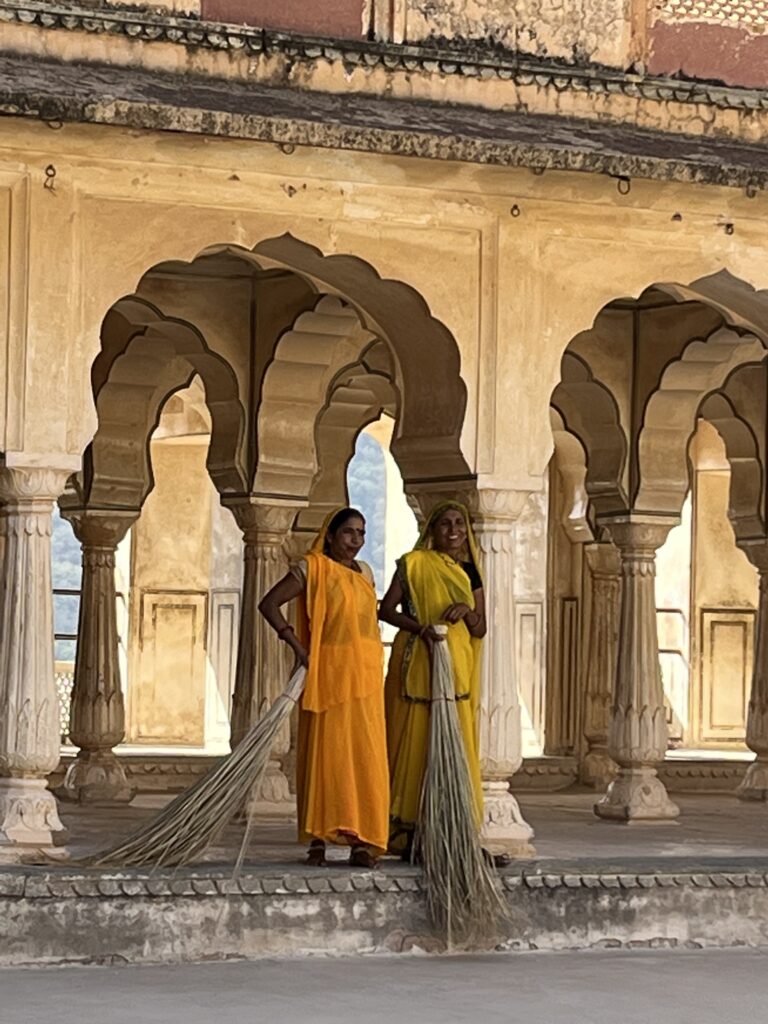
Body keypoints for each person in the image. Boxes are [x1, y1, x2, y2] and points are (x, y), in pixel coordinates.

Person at [258, 507, 389, 868]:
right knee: (328, 755)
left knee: (364, 757)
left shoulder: (364, 573)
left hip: (365, 677)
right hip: (329, 673)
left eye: (361, 533)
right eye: (348, 532)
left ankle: (361, 839)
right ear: (330, 535)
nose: (356, 541)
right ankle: (319, 835)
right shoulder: (312, 568)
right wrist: (299, 648)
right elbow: (268, 604)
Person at [378, 501, 487, 861]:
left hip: (454, 667)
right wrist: (420, 628)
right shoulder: (413, 564)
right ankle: (409, 833)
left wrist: (467, 611)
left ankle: (453, 833)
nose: (453, 530)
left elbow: (480, 627)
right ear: (432, 530)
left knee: (453, 743)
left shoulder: (470, 573)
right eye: (445, 524)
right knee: (416, 744)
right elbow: (386, 610)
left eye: (459, 523)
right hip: (420, 663)